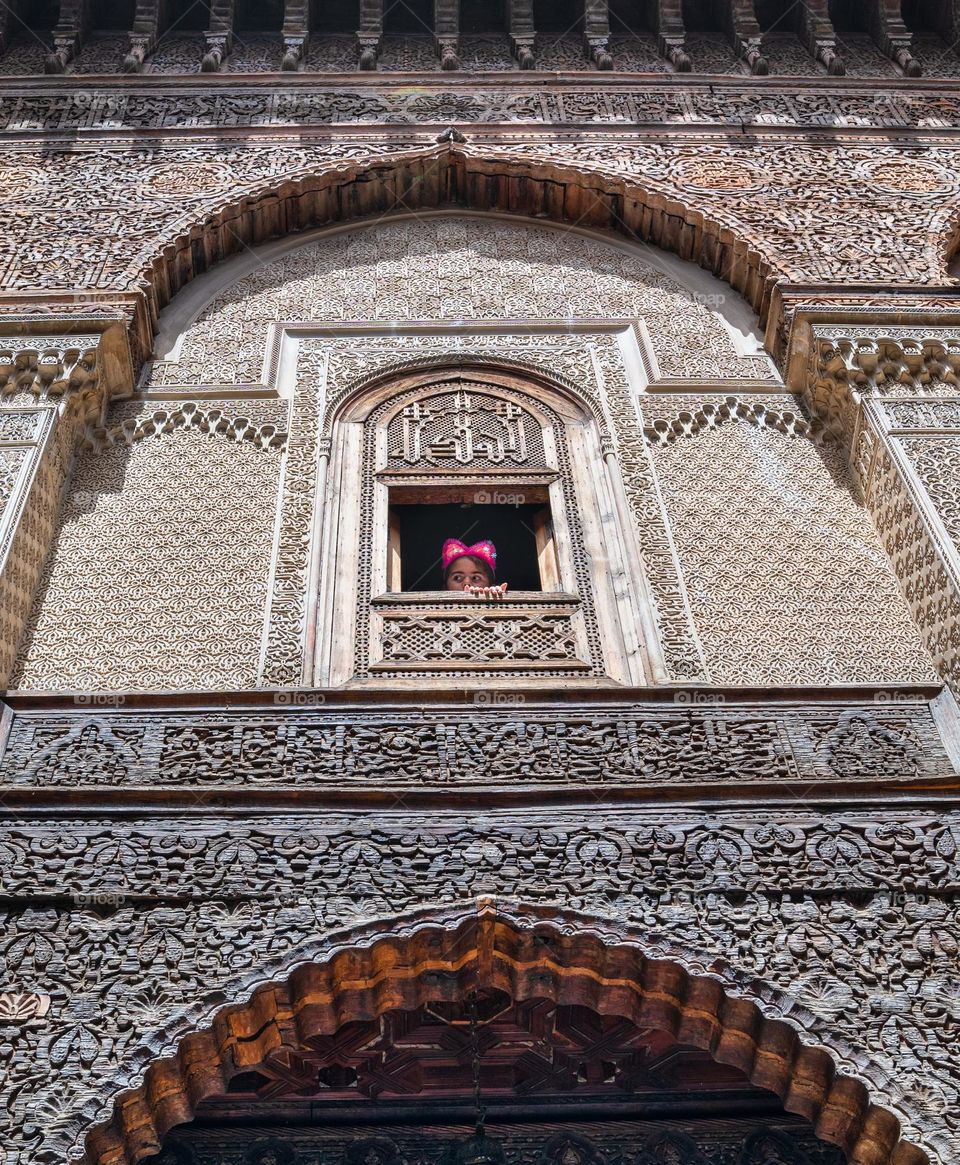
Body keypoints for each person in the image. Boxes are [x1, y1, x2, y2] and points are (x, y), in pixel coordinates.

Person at [442, 538, 509, 600]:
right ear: (446, 584)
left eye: (475, 578)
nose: (467, 583)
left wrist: (496, 598)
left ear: (489, 584)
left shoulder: (494, 596)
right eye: (457, 578)